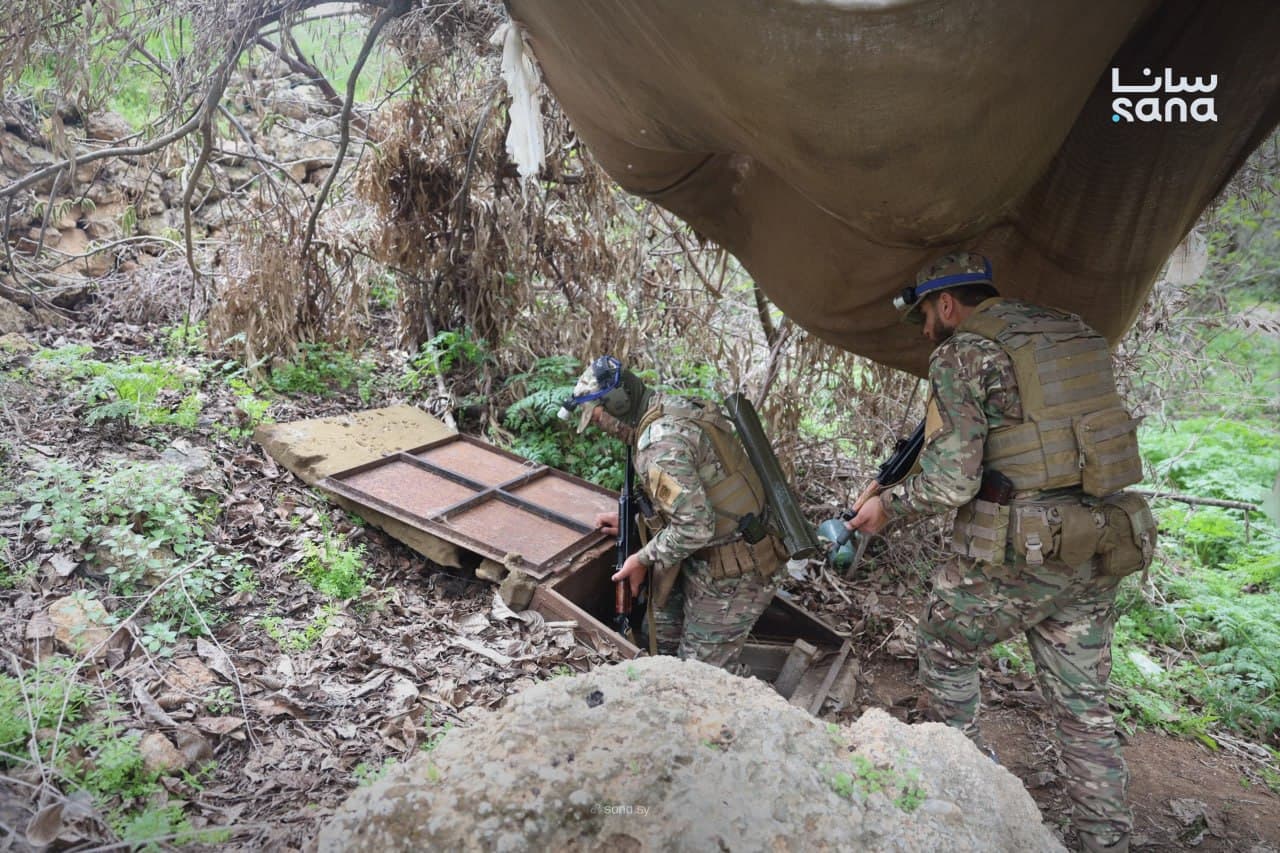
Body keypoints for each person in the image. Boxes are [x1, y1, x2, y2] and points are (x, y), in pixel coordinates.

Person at [846, 252, 1154, 853]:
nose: (926, 332)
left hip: (1025, 550)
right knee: (1083, 706)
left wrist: (889, 508)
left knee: (944, 643)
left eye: (925, 317)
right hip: (1102, 539)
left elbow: (950, 483)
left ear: (945, 303)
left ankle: (963, 799)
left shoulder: (964, 353)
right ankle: (1106, 841)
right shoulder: (1071, 332)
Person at [558, 356, 786, 672]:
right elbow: (695, 495)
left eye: (598, 418)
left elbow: (695, 527)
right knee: (658, 639)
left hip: (735, 568)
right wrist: (636, 523)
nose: (602, 428)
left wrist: (642, 559)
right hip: (708, 552)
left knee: (700, 676)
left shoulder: (660, 445)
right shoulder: (668, 407)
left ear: (619, 404)